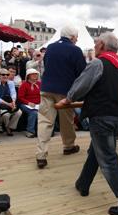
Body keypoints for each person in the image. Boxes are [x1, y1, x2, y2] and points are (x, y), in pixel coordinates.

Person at [58, 32, 118, 215]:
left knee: (108, 160)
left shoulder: (98, 63)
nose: (94, 47)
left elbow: (81, 86)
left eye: (96, 44)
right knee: (97, 151)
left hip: (101, 116)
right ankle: (83, 184)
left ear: (102, 45)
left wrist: (68, 98)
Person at [36, 25, 87, 169]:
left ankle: (41, 155)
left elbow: (47, 65)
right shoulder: (75, 50)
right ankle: (68, 146)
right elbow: (82, 73)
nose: (77, 40)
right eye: (76, 37)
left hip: (46, 88)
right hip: (64, 91)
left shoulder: (50, 47)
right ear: (72, 37)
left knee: (44, 122)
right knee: (67, 121)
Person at [0, 68, 22, 136]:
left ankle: (10, 126)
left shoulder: (11, 83)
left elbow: (13, 93)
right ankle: (7, 128)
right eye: (3, 74)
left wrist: (13, 101)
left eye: (7, 74)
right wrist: (8, 104)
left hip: (9, 102)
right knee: (6, 115)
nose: (5, 76)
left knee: (19, 112)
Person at [18, 69, 41, 138]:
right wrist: (28, 103)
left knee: (47, 110)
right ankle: (30, 131)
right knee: (33, 113)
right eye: (33, 74)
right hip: (26, 104)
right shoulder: (24, 84)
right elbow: (20, 97)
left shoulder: (39, 84)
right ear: (28, 76)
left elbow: (43, 95)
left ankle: (44, 130)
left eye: (36, 74)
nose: (35, 75)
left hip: (38, 104)